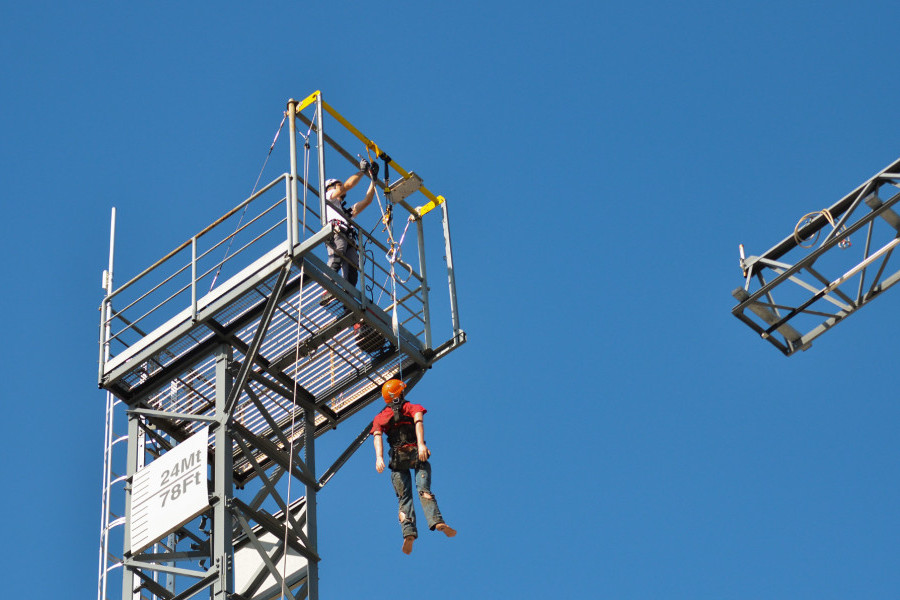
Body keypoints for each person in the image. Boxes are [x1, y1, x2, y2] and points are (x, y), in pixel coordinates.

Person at [371, 379, 457, 554]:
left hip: (397, 459)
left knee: (404, 498)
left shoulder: (381, 417)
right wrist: (421, 445)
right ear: (401, 393)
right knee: (423, 490)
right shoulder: (413, 408)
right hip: (416, 453)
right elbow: (419, 423)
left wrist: (379, 458)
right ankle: (437, 521)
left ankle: (408, 532)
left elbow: (377, 436)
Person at [320, 159, 377, 302]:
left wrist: (373, 180)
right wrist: (362, 172)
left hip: (347, 237)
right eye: (338, 186)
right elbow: (347, 185)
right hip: (336, 233)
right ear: (330, 187)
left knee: (352, 270)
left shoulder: (343, 212)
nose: (341, 189)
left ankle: (347, 302)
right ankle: (327, 288)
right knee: (337, 256)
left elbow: (367, 201)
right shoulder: (328, 197)